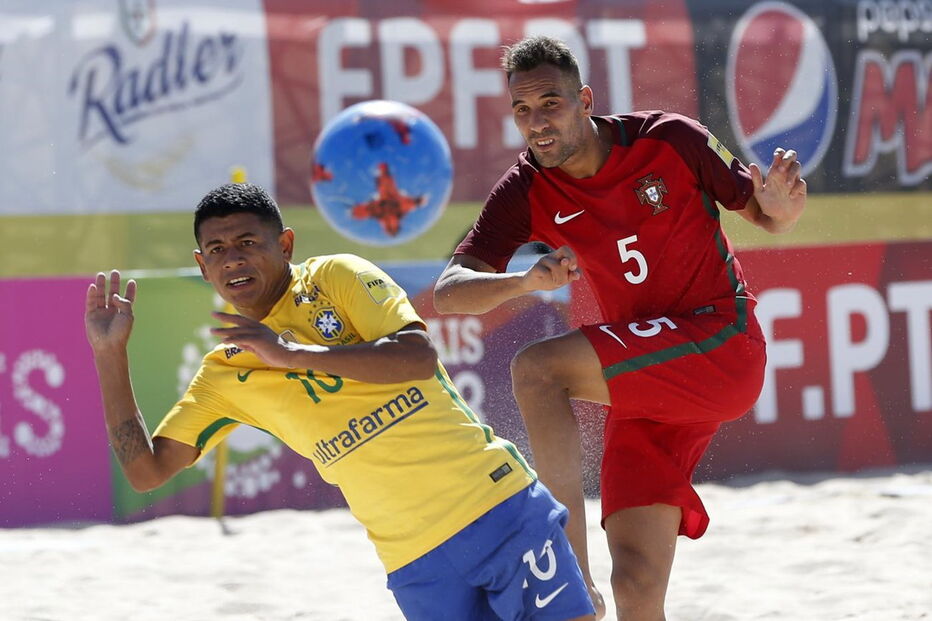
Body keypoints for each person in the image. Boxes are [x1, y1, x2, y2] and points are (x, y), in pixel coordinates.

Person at [84, 182, 597, 621]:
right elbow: (146, 472)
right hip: (414, 558)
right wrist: (110, 355)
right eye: (216, 249)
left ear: (285, 244)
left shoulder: (335, 277)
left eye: (247, 242)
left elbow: (417, 357)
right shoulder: (224, 373)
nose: (233, 258)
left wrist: (291, 355)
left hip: (497, 508)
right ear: (202, 265)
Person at [433, 36, 806, 620]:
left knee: (538, 371)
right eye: (522, 110)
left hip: (720, 343)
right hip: (647, 387)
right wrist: (522, 283)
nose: (536, 123)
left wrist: (781, 210)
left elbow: (767, 214)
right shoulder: (527, 186)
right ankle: (587, 587)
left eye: (550, 104)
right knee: (635, 582)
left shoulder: (669, 139)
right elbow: (449, 290)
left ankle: (569, 581)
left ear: (584, 100)